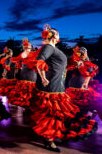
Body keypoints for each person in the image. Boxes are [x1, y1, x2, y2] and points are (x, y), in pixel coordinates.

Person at [28, 24, 97, 152]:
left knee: (55, 114)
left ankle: (48, 137)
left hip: (58, 85)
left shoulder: (54, 48)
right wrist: (43, 77)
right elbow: (39, 61)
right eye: (58, 33)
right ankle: (49, 140)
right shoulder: (48, 47)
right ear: (54, 36)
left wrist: (75, 62)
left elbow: (60, 65)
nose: (59, 35)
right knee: (52, 114)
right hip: (52, 86)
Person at [66, 46, 101, 119]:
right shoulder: (74, 63)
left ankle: (84, 119)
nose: (80, 55)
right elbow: (68, 68)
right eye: (78, 53)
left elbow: (89, 74)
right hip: (71, 87)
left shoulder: (88, 63)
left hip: (81, 87)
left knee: (82, 105)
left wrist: (85, 83)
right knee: (72, 105)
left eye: (82, 54)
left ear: (85, 54)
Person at [6, 38, 37, 108]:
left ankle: (24, 107)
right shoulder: (33, 54)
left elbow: (14, 59)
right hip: (31, 75)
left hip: (23, 75)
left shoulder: (22, 54)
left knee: (23, 93)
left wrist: (8, 58)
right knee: (30, 93)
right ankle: (29, 108)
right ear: (29, 47)